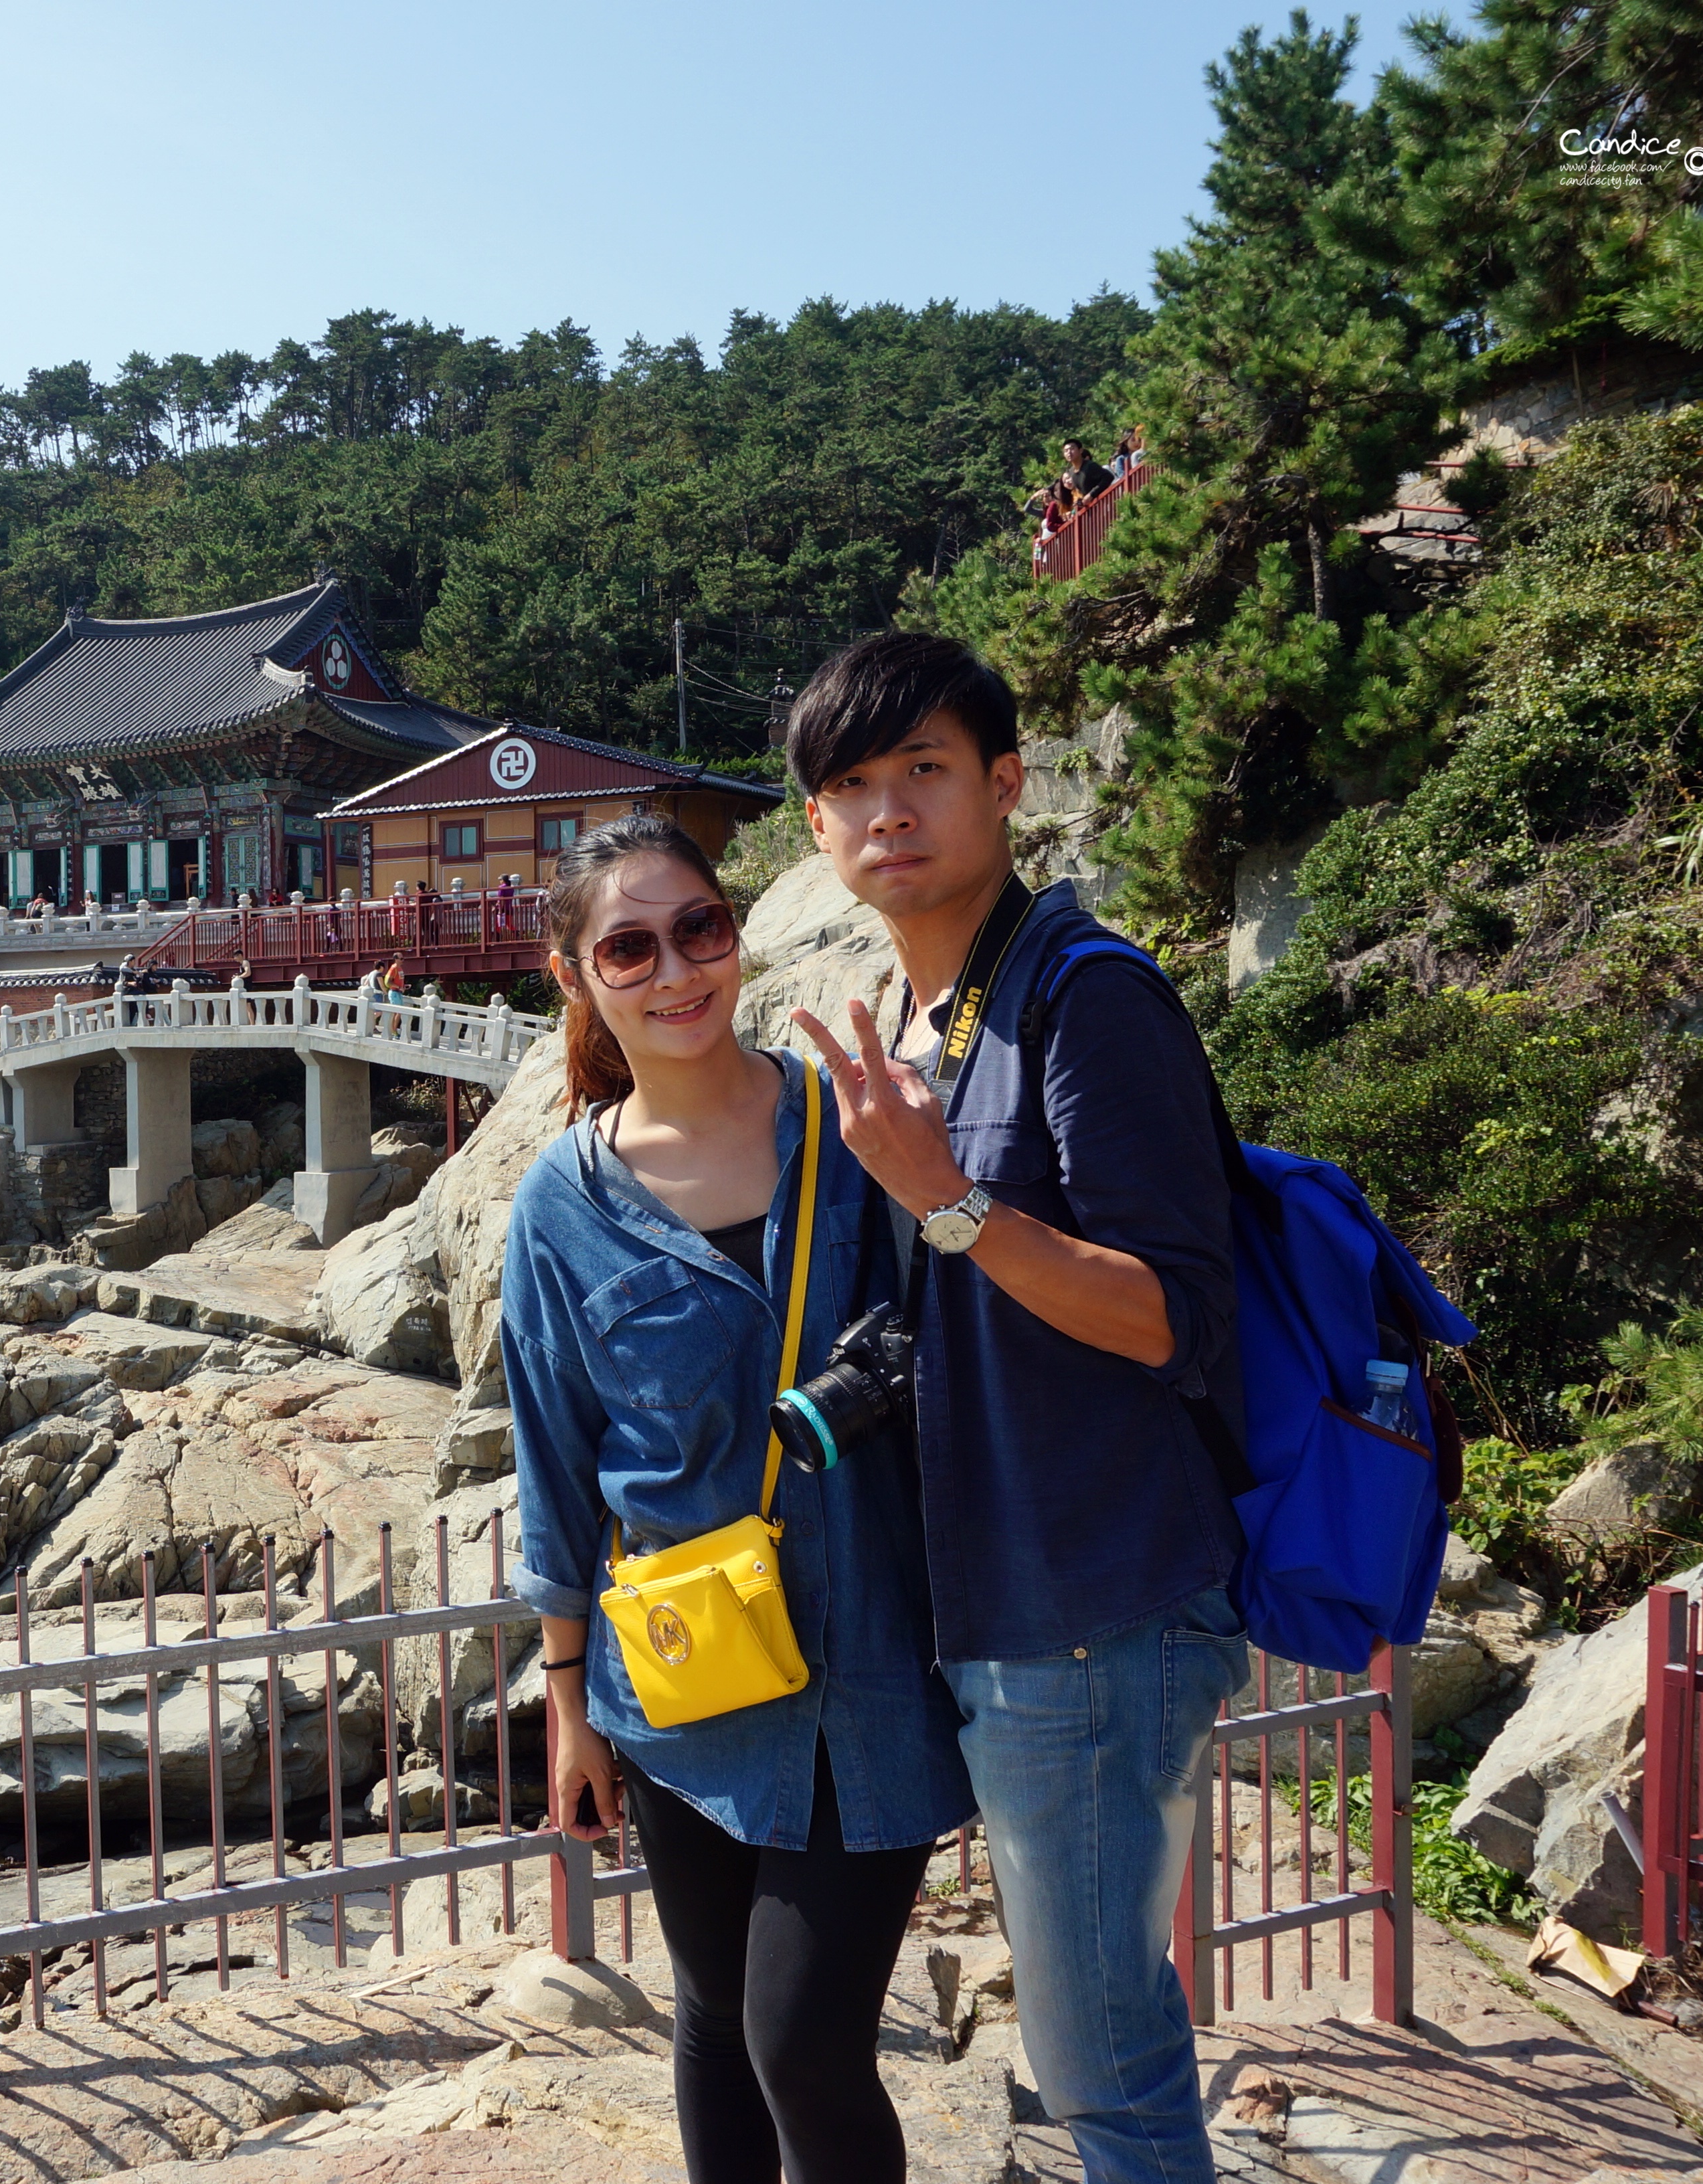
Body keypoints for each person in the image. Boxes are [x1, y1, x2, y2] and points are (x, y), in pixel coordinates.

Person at [782, 633, 1249, 2184]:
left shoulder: (1085, 997)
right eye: (848, 784)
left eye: (921, 769)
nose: (886, 810)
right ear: (814, 833)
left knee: (1100, 2064)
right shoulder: (921, 1026)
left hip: (1090, 1613)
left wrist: (949, 1200)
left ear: (1003, 785)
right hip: (1004, 1609)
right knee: (1089, 2041)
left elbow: (1168, 1310)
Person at [506, 811, 972, 2184]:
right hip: (678, 1678)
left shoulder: (852, 1124)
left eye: (695, 930)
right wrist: (567, 1704)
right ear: (573, 974)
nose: (673, 971)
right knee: (710, 2020)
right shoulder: (561, 1203)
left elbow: (977, 1326)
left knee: (803, 2045)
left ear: (735, 930)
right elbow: (556, 1458)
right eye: (628, 947)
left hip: (871, 1666)